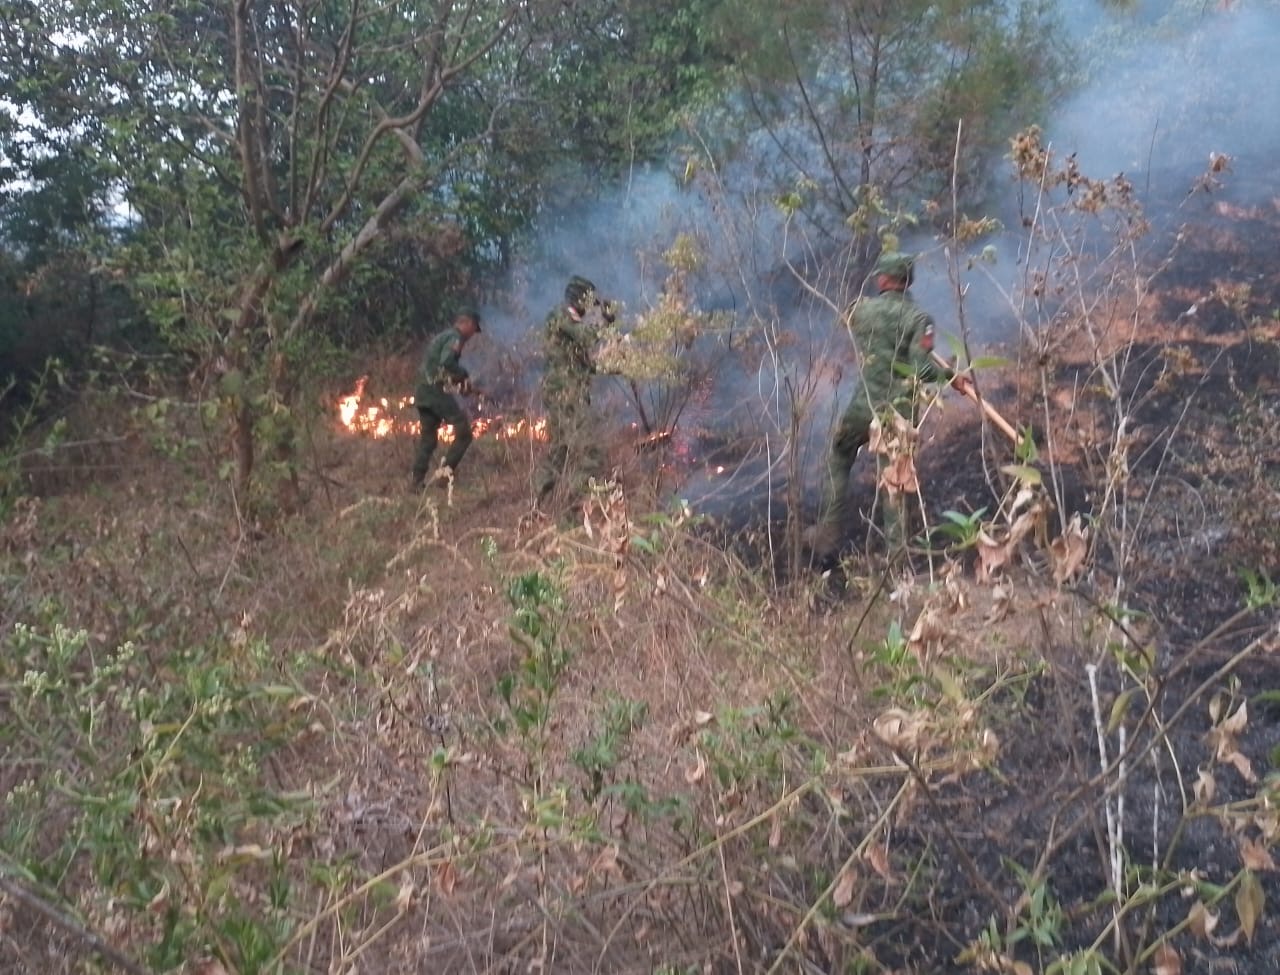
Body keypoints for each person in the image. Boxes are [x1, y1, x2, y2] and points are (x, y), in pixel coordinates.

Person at [808, 251, 973, 557]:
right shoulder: (919, 320)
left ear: (883, 279)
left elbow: (848, 318)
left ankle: (828, 531)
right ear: (908, 281)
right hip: (896, 414)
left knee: (840, 455)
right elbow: (922, 370)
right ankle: (896, 559)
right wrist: (953, 377)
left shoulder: (862, 311)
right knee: (894, 482)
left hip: (862, 406)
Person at [535, 276, 616, 503]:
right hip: (565, 395)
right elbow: (585, 337)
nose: (591, 307)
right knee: (591, 453)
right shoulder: (561, 316)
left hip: (566, 393)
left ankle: (536, 506)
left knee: (559, 452)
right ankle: (570, 510)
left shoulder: (569, 322)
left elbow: (582, 362)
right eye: (589, 302)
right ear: (579, 299)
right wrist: (603, 319)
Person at [411, 308, 481, 489]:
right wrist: (464, 375)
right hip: (434, 392)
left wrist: (460, 384)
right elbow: (447, 362)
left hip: (422, 391)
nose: (473, 335)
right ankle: (444, 478)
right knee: (464, 433)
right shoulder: (455, 337)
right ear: (467, 323)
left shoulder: (443, 336)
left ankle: (416, 483)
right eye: (474, 329)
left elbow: (439, 369)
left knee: (428, 440)